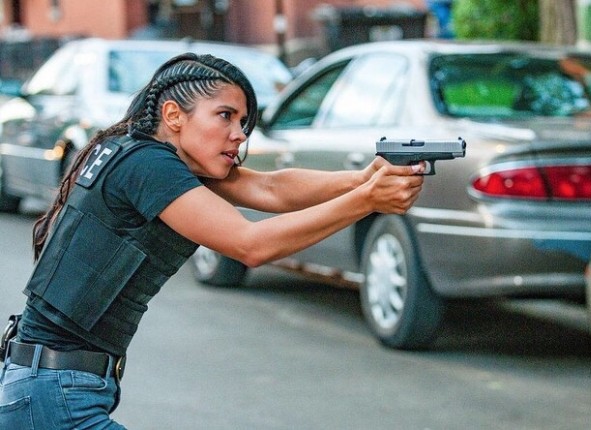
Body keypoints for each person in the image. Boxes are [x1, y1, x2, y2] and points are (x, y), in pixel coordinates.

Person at [0, 53, 425, 429]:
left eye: (243, 122)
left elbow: (271, 189)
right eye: (225, 116)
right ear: (174, 115)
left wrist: (363, 178)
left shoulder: (143, 155)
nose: (239, 134)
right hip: (53, 394)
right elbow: (250, 244)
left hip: (51, 386)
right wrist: (367, 200)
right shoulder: (148, 166)